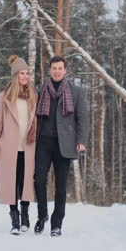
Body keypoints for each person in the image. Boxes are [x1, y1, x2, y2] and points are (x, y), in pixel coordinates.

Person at [34, 56, 89, 237]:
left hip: (64, 144)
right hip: (43, 142)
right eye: (54, 68)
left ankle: (57, 224)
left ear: (65, 71)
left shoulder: (76, 92)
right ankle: (42, 216)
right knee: (39, 179)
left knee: (61, 186)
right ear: (49, 70)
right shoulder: (41, 89)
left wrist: (81, 140)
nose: (57, 71)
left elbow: (82, 118)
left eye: (60, 68)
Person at [0, 55, 37, 235]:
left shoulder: (33, 95)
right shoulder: (4, 96)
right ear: (15, 75)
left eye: (27, 73)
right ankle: (14, 219)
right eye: (22, 73)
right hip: (9, 147)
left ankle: (25, 215)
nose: (25, 76)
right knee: (11, 183)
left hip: (28, 147)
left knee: (25, 182)